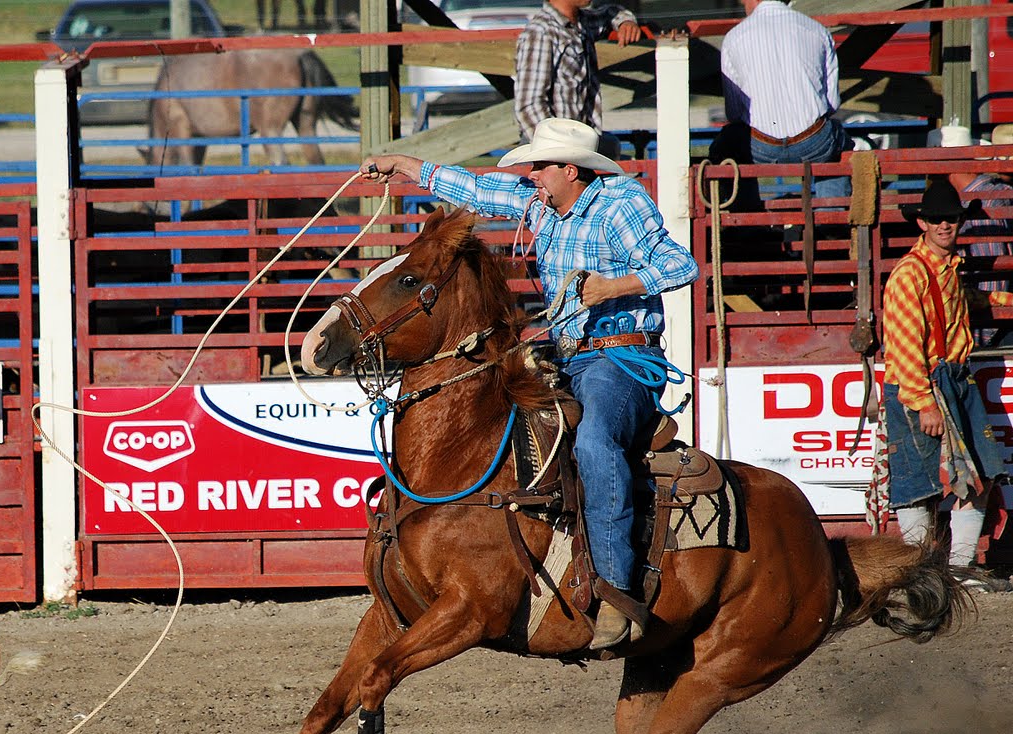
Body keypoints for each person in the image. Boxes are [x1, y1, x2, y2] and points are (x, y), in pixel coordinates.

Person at [364, 117, 700, 649]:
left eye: (540, 166)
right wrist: (404, 166)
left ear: (572, 170)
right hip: (563, 354)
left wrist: (613, 287)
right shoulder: (542, 202)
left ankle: (616, 590)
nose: (531, 175)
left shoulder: (621, 202)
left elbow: (680, 265)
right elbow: (476, 190)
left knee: (593, 441)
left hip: (620, 359)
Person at [879, 178, 1012, 583]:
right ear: (922, 223)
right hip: (921, 383)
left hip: (952, 377)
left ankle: (957, 568)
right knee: (917, 479)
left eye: (950, 219)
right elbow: (902, 344)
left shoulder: (946, 270)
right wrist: (924, 402)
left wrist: (1004, 301)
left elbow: (958, 307)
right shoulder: (908, 275)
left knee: (977, 474)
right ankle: (921, 573)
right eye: (936, 219)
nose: (944, 226)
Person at [717, 0, 851, 199]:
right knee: (838, 146)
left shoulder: (734, 37)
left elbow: (734, 113)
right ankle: (831, 215)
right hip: (813, 142)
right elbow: (832, 103)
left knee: (729, 146)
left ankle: (745, 217)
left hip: (759, 147)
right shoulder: (817, 30)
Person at [512, 0, 641, 142]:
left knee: (611, 145)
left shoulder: (582, 23)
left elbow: (611, 12)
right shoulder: (541, 32)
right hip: (554, 148)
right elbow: (529, 106)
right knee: (610, 147)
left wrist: (625, 22)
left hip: (576, 140)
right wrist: (555, 149)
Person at [949, 124, 1013, 347]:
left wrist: (983, 334)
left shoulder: (982, 201)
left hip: (991, 326)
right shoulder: (993, 193)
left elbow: (993, 273)